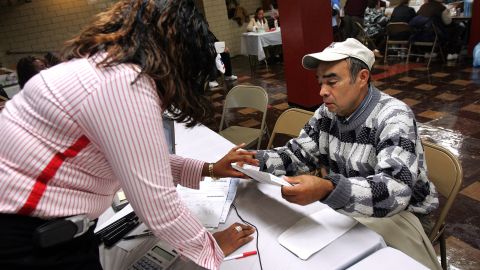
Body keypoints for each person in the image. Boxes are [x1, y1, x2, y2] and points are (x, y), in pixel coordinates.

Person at [0, 1, 258, 269]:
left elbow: (140, 163)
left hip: (34, 227)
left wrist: (210, 169)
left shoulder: (102, 69)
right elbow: (159, 205)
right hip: (25, 237)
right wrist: (210, 248)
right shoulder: (125, 83)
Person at [254, 38, 441, 269]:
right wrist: (254, 160)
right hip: (351, 207)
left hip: (403, 215)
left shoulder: (394, 116)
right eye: (320, 82)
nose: (322, 91)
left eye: (332, 81)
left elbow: (395, 190)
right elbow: (299, 154)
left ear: (362, 78)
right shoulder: (327, 114)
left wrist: (329, 189)